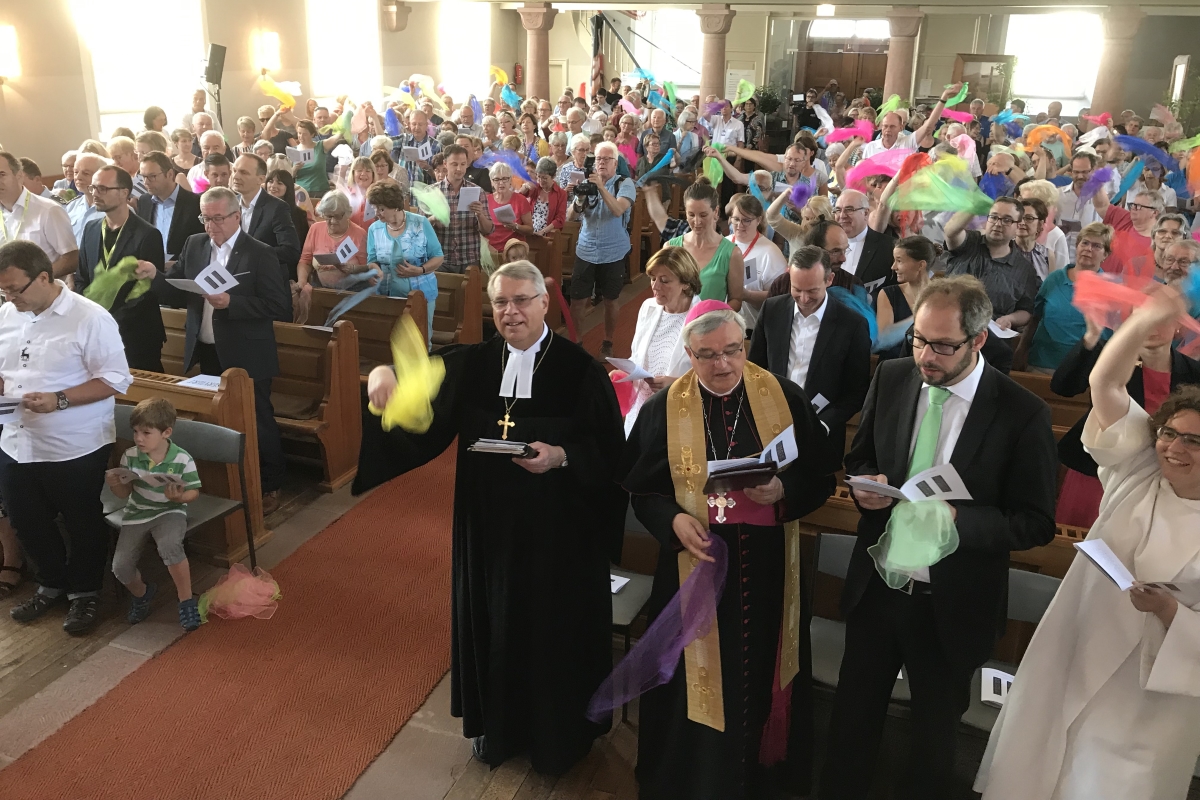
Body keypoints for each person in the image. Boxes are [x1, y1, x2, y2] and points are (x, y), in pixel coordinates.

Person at [358, 260, 625, 775]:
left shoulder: (580, 370)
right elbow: (419, 403)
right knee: (493, 621)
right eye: (501, 301)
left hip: (558, 533)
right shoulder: (475, 362)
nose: (511, 311)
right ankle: (496, 728)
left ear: (545, 302)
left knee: (551, 630)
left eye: (522, 300)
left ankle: (558, 736)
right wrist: (383, 376)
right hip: (487, 529)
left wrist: (561, 456)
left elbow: (611, 455)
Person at [822, 275, 1058, 800]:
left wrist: (960, 519)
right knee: (852, 720)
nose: (927, 356)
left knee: (932, 737)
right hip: (880, 587)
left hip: (950, 602)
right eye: (919, 339)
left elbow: (1036, 522)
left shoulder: (1021, 413)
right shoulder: (894, 376)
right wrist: (869, 488)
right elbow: (861, 457)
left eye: (943, 345)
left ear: (978, 342)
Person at [975, 285, 1200, 800]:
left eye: (1193, 440)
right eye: (1169, 434)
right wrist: (1144, 319)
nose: (1174, 449)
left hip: (1152, 693)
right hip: (1077, 648)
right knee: (1039, 773)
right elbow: (1105, 382)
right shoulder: (1140, 469)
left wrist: (1169, 611)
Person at [620, 300, 837, 800]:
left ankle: (763, 780)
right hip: (691, 565)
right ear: (688, 354)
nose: (722, 365)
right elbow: (639, 489)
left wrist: (785, 491)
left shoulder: (782, 396)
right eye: (706, 355)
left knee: (762, 670)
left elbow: (822, 476)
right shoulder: (664, 407)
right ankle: (696, 779)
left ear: (745, 346)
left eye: (732, 352)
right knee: (690, 686)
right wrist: (673, 520)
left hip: (768, 571)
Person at [0, 240, 133, 634]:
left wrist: (60, 399)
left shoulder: (89, 318)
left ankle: (86, 593)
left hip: (73, 443)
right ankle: (51, 584)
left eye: (15, 289)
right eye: (3, 290)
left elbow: (116, 379)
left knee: (81, 522)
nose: (9, 298)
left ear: (44, 277)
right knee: (27, 520)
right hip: (15, 438)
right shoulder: (7, 314)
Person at [149, 187, 292, 516]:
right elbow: (175, 284)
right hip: (208, 347)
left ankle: (271, 483)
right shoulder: (196, 244)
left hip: (248, 351)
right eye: (205, 218)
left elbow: (278, 305)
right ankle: (227, 478)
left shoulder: (259, 253)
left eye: (217, 219)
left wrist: (233, 303)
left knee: (258, 419)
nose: (210, 226)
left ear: (236, 215)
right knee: (218, 419)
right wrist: (154, 276)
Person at [749, 245, 872, 455]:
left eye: (812, 290)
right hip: (769, 428)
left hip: (820, 436)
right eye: (797, 289)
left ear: (829, 280)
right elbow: (753, 370)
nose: (804, 299)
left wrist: (823, 423)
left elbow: (857, 391)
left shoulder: (852, 325)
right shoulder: (772, 310)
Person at [105, 397, 203, 631]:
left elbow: (193, 492)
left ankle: (186, 600)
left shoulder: (181, 458)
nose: (139, 438)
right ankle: (142, 593)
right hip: (138, 512)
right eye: (136, 432)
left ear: (166, 432)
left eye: (146, 433)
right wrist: (114, 484)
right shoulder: (130, 456)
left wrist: (178, 497)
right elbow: (123, 494)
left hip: (170, 511)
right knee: (120, 567)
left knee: (170, 547)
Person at [75, 164, 167, 371]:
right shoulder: (90, 228)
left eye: (103, 189)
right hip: (95, 330)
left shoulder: (147, 234)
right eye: (93, 188)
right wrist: (91, 316)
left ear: (124, 193)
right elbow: (81, 276)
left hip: (136, 334)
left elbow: (144, 292)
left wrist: (108, 321)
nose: (95, 194)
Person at [566, 140, 637, 355]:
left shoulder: (624, 183)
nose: (602, 163)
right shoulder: (586, 183)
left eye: (607, 159)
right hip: (586, 249)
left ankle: (608, 341)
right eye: (598, 159)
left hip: (613, 251)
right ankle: (577, 342)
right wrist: (579, 196)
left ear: (615, 163)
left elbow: (617, 210)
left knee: (610, 300)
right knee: (577, 300)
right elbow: (571, 216)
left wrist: (600, 187)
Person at [623, 247, 702, 434]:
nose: (655, 286)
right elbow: (637, 355)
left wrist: (675, 384)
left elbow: (715, 377)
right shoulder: (648, 307)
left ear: (686, 283)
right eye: (653, 279)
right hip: (641, 408)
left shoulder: (702, 318)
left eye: (664, 281)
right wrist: (625, 373)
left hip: (679, 412)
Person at [943, 196, 1040, 330]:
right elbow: (950, 232)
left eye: (1007, 220)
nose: (998, 224)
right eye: (993, 217)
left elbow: (1026, 310)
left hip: (990, 336)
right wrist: (973, 208)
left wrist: (1010, 319)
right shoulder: (970, 242)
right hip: (948, 323)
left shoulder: (1024, 269)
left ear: (1018, 225)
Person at [1026, 222, 1112, 373]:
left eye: (1096, 246)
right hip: (1042, 364)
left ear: (1105, 254)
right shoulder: (1054, 279)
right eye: (1084, 243)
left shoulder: (1111, 289)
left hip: (1085, 371)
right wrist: (1021, 351)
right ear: (1077, 246)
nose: (1088, 249)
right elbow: (1035, 318)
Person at [365, 181, 442, 337]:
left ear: (395, 206)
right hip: (387, 296)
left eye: (381, 209)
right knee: (390, 340)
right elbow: (372, 259)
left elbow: (438, 256)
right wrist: (375, 270)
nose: (377, 213)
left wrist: (420, 270)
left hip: (421, 295)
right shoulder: (374, 229)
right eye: (374, 208)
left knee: (420, 340)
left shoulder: (420, 223)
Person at [666, 178, 745, 310]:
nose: (696, 222)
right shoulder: (670, 248)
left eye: (703, 215)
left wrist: (711, 317)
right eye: (691, 214)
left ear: (716, 212)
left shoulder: (732, 254)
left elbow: (736, 300)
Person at [0, 152, 78, 277]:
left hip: (42, 292)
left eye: (1, 174)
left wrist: (36, 281)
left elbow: (71, 258)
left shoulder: (48, 210)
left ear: (19, 176)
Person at [231, 154, 302, 282]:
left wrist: (250, 255)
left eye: (244, 172)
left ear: (260, 179)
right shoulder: (230, 205)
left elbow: (291, 251)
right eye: (234, 170)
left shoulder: (277, 208)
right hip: (235, 280)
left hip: (266, 281)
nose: (235, 176)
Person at [726, 193, 787, 335]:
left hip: (753, 329)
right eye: (736, 219)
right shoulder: (724, 244)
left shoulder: (770, 252)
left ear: (758, 220)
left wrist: (746, 295)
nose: (739, 225)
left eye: (746, 221)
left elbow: (779, 299)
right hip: (725, 325)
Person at [431, 144, 493, 274]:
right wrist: (434, 218)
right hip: (441, 259)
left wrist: (480, 215)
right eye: (454, 164)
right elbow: (420, 229)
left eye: (463, 164)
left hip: (469, 258)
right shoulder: (432, 192)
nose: (459, 169)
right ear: (445, 164)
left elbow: (488, 230)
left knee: (469, 294)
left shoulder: (477, 191)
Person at [298, 191, 374, 295]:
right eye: (328, 216)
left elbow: (368, 267)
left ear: (347, 214)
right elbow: (305, 261)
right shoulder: (315, 229)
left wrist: (354, 269)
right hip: (320, 288)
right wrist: (302, 281)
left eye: (338, 216)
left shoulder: (359, 234)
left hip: (352, 292)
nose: (333, 221)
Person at [135, 152, 203, 265]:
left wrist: (180, 264)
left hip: (182, 273)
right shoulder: (144, 201)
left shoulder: (195, 203)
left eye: (152, 176)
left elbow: (201, 245)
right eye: (143, 176)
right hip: (151, 271)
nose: (146, 182)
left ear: (170, 174)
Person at [875, 235, 935, 361]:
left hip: (929, 362)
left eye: (899, 261)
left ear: (921, 265)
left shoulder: (942, 295)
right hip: (893, 367)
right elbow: (883, 339)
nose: (893, 267)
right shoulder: (888, 293)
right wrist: (919, 315)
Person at [833, 189, 896, 292]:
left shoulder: (889, 247)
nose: (842, 215)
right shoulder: (824, 246)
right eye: (838, 210)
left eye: (849, 209)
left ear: (866, 213)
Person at [1057, 152, 1105, 260]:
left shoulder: (1100, 198)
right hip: (1061, 257)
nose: (1080, 176)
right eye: (1076, 172)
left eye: (1084, 172)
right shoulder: (1058, 195)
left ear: (1093, 171)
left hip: (1088, 258)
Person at [485, 162, 533, 254]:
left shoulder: (521, 200)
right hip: (490, 250)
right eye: (497, 179)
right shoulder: (486, 200)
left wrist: (515, 226)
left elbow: (530, 230)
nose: (501, 183)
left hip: (514, 251)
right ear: (491, 182)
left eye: (505, 179)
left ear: (510, 180)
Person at [290, 119, 341, 197]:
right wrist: (294, 169)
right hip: (301, 192)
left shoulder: (321, 146)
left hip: (320, 190)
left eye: (305, 134)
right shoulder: (293, 150)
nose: (301, 136)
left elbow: (337, 137)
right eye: (299, 133)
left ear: (312, 134)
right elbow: (290, 176)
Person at [64, 153, 107, 245]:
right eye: (76, 172)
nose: (78, 177)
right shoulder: (71, 206)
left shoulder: (115, 208)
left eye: (86, 173)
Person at [264, 168, 311, 250]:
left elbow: (300, 244)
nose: (273, 186)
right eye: (270, 181)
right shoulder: (258, 210)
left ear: (288, 187)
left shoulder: (299, 214)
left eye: (279, 183)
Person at [524, 157, 567, 238]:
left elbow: (560, 219)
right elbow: (520, 198)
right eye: (538, 176)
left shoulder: (561, 194)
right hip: (529, 232)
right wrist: (525, 187)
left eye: (544, 178)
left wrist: (543, 232)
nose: (540, 180)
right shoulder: (535, 187)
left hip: (547, 234)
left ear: (553, 176)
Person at [1014, 197, 1054, 280]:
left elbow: (1050, 288)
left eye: (1029, 218)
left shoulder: (1047, 255)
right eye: (1019, 217)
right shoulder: (1004, 250)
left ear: (1040, 224)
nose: (1021, 223)